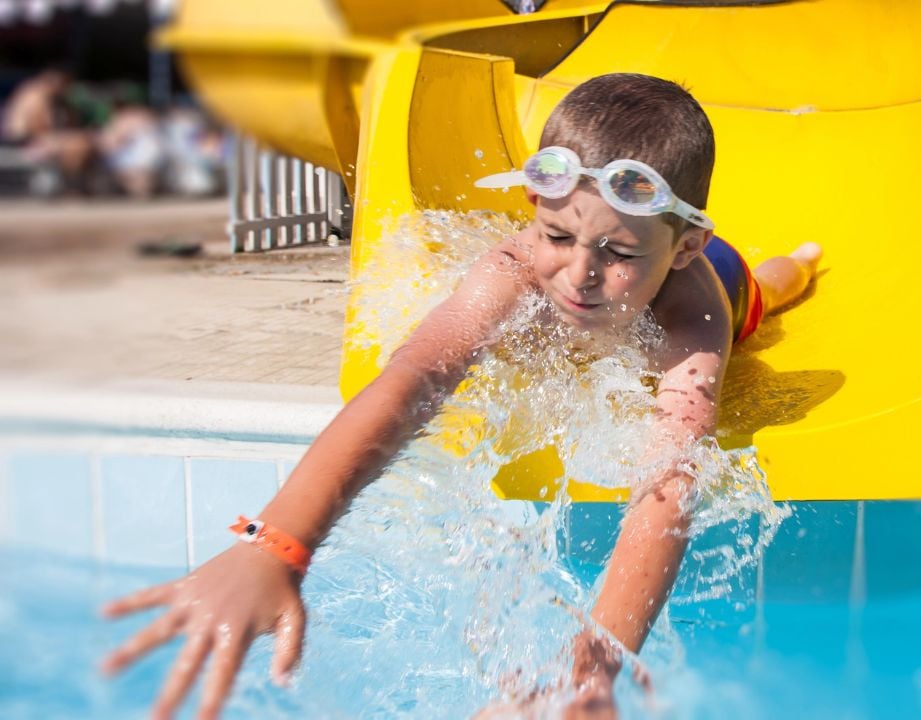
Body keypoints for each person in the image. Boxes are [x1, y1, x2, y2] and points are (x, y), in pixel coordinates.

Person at [100, 73, 821, 719]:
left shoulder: (693, 313)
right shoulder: (511, 271)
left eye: (620, 254)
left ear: (681, 248)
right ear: (534, 207)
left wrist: (589, 670)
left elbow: (668, 478)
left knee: (772, 287)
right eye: (557, 235)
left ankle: (799, 263)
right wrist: (278, 545)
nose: (579, 274)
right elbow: (416, 375)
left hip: (731, 279)